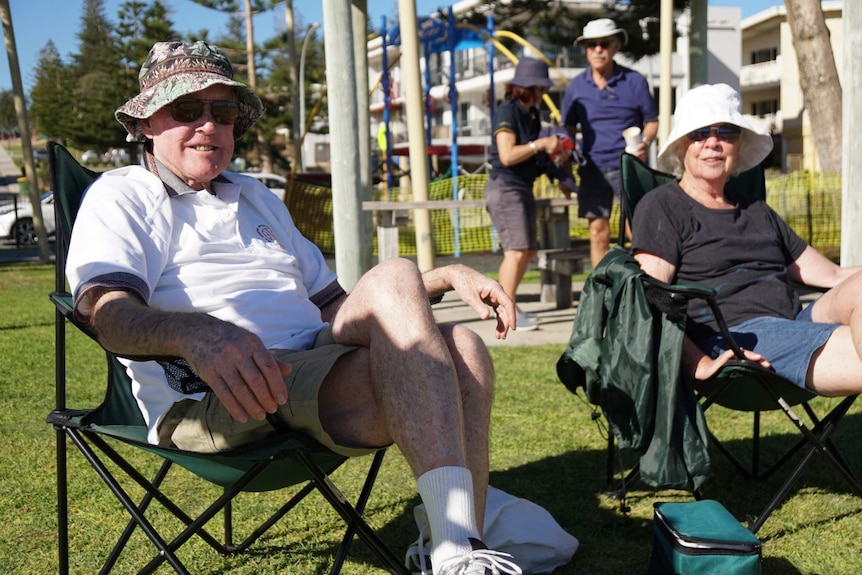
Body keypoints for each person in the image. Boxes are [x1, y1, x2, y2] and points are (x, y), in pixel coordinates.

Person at [65, 41, 523, 575]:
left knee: (438, 317)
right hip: (221, 391)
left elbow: (338, 308)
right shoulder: (121, 194)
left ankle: (460, 551)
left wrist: (439, 279)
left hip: (312, 360)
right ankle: (455, 555)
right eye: (187, 110)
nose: (208, 126)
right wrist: (196, 334)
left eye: (225, 112)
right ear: (146, 123)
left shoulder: (257, 197)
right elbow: (104, 311)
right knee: (446, 354)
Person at [632, 83, 862, 397]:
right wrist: (697, 364)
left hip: (795, 322)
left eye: (726, 131)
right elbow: (648, 300)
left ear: (738, 145)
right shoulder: (663, 206)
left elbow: (834, 276)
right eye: (699, 133)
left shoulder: (756, 210)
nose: (713, 142)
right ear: (680, 146)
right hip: (735, 337)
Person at [561, 18, 658, 269]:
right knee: (597, 232)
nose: (597, 49)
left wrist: (645, 141)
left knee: (637, 232)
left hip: (629, 165)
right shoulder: (576, 86)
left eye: (604, 43)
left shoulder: (634, 81)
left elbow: (652, 121)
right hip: (591, 167)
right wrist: (566, 158)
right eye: (591, 45)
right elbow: (568, 129)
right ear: (585, 49)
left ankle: (643, 289)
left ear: (616, 45)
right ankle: (602, 295)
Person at [485, 57, 572, 331]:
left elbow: (538, 160)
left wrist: (561, 176)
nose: (543, 94)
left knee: (528, 250)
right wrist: (541, 143)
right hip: (505, 187)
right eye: (540, 89)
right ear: (525, 87)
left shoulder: (531, 115)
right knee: (516, 251)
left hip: (522, 187)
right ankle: (505, 310)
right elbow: (508, 155)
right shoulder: (507, 111)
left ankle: (508, 303)